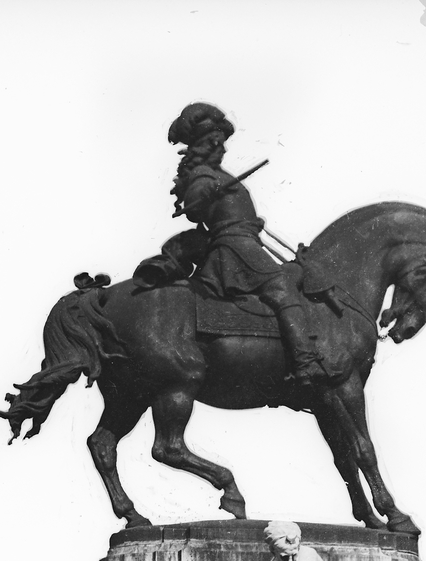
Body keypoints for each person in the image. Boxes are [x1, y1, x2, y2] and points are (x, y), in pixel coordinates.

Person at [135, 103, 328, 382]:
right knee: (282, 287)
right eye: (221, 143)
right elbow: (193, 206)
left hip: (245, 240)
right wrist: (206, 193)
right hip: (235, 247)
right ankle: (305, 362)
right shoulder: (205, 174)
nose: (224, 149)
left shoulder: (217, 174)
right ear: (212, 143)